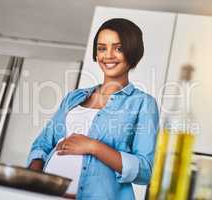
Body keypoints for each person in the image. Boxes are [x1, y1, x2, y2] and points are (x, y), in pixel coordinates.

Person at [27, 18, 159, 200]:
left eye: (118, 48)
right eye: (102, 48)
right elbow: (42, 144)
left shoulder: (143, 104)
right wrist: (32, 180)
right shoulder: (74, 97)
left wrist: (93, 146)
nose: (108, 55)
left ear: (133, 53)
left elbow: (145, 170)